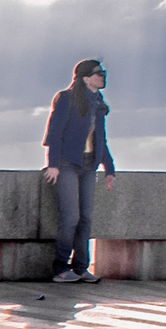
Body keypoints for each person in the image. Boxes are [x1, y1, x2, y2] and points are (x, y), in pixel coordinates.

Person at [42, 58, 116, 284]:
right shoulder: (67, 99)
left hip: (88, 165)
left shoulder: (98, 102)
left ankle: (81, 267)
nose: (102, 76)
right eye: (98, 73)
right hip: (67, 163)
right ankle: (60, 269)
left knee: (86, 219)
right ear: (85, 78)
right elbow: (55, 133)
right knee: (70, 218)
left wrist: (109, 169)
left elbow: (100, 138)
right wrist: (53, 164)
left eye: (103, 73)